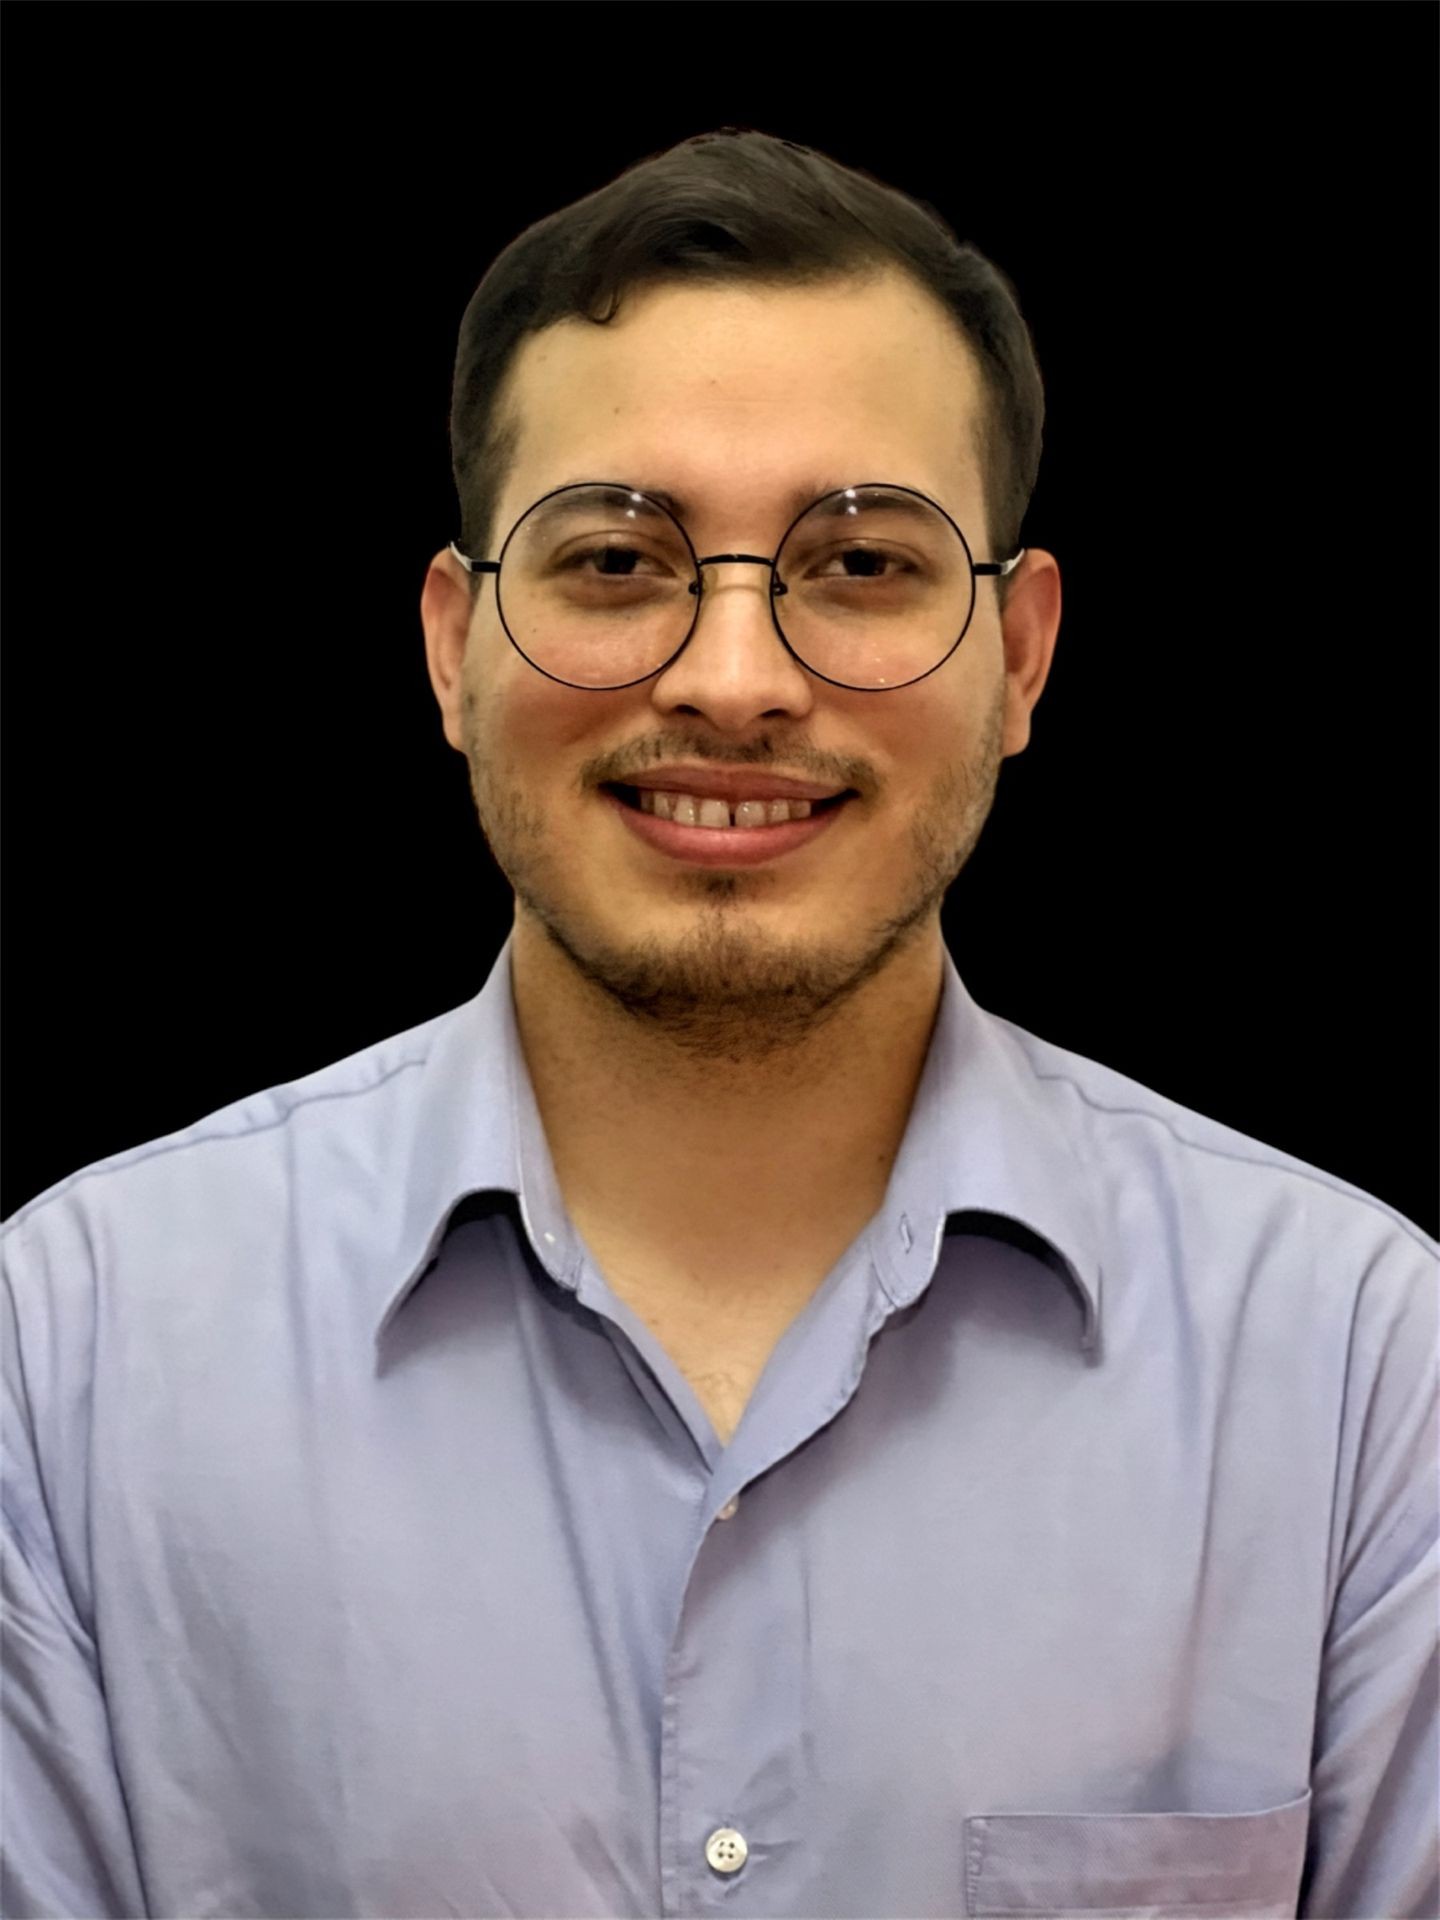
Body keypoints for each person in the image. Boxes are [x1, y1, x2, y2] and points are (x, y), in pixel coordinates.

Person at [3, 128, 1435, 1920]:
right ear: (453, 650)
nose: (737, 678)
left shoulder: (1368, 1369)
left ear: (1024, 659)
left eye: (861, 566)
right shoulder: (67, 1352)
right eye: (613, 560)